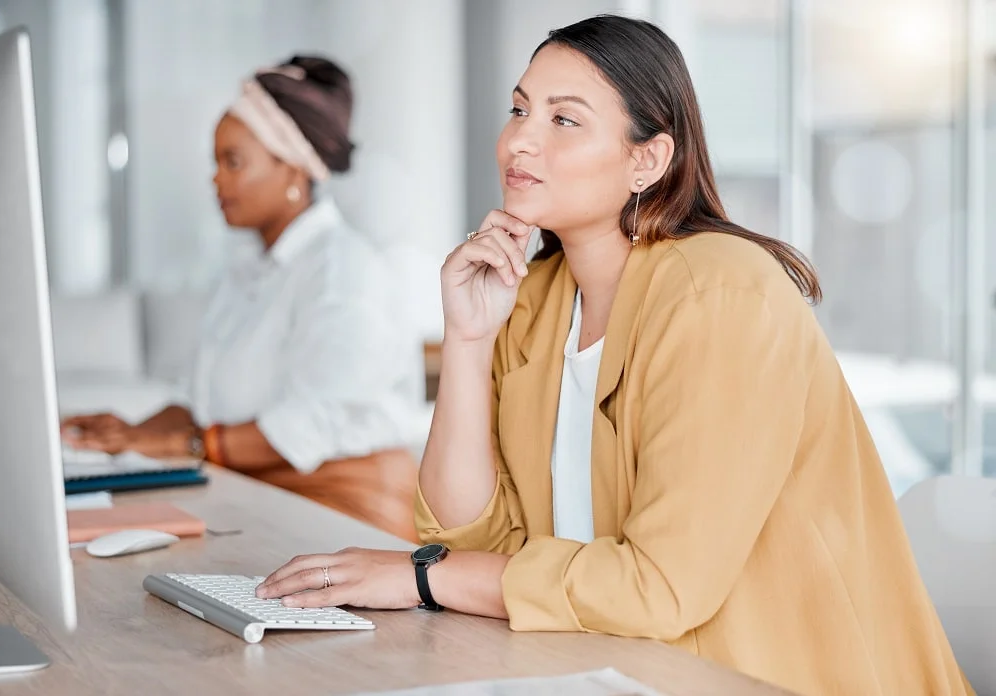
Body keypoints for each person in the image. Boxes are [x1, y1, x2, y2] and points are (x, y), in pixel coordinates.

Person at [252, 17, 973, 696]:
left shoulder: (720, 295)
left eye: (563, 120)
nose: (518, 143)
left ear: (648, 159)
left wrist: (420, 580)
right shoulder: (533, 299)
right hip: (600, 667)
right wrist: (469, 342)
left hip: (763, 676)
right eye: (519, 110)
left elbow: (659, 588)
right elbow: (465, 538)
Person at [61, 57, 423, 542]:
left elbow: (307, 425)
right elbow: (201, 404)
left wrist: (186, 445)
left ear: (293, 169)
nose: (215, 180)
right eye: (215, 162)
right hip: (257, 492)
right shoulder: (249, 270)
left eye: (232, 162)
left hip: (345, 512)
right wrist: (125, 434)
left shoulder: (345, 272)